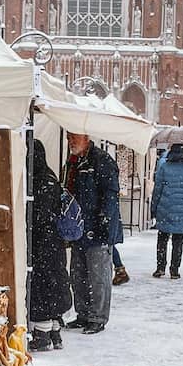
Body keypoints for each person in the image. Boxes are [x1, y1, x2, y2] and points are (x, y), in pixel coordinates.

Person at [62, 132, 122, 335]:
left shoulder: (101, 160)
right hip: (79, 228)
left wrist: (104, 219)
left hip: (98, 229)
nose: (70, 142)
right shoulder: (74, 162)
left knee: (98, 277)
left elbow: (110, 194)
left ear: (86, 137)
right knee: (78, 275)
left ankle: (97, 317)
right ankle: (83, 314)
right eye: (69, 138)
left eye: (74, 138)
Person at [27, 140, 73, 351]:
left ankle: (43, 335)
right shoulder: (51, 177)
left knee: (42, 285)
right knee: (55, 283)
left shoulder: (38, 182)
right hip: (54, 243)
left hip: (42, 243)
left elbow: (39, 216)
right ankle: (55, 333)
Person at [150, 142, 183, 279]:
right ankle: (174, 270)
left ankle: (160, 267)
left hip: (165, 208)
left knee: (162, 238)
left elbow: (157, 189)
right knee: (178, 240)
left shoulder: (164, 167)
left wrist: (153, 207)